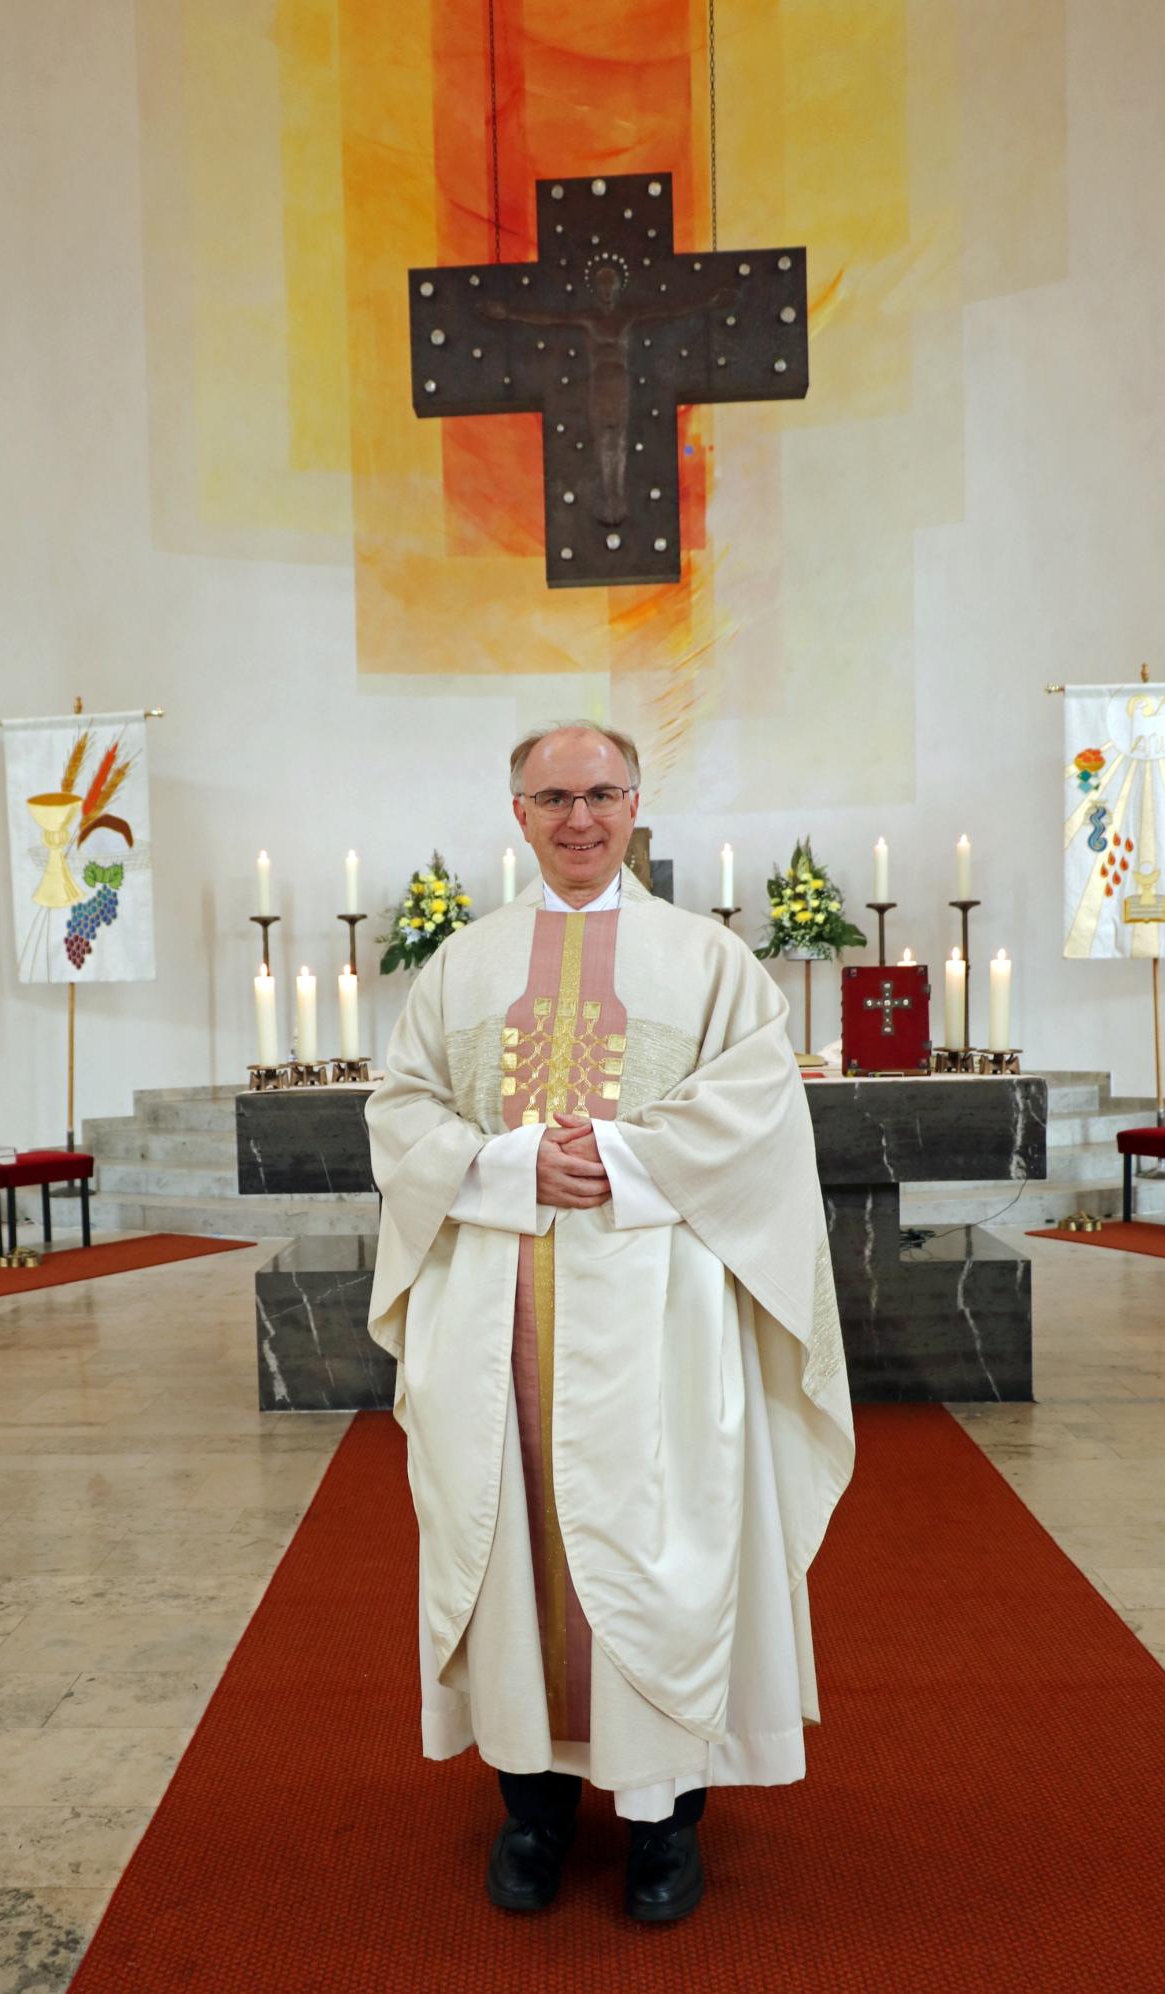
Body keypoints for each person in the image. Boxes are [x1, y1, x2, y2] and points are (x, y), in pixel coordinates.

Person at [365, 722, 854, 1923]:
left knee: (660, 1539)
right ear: (517, 810)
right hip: (498, 1311)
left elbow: (758, 1112)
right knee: (511, 1540)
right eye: (553, 796)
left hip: (662, 1315)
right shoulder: (461, 965)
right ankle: (531, 1809)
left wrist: (627, 1159)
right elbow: (402, 1107)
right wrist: (514, 1162)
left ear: (637, 803)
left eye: (601, 792)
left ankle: (663, 1823)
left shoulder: (710, 959)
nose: (579, 817)